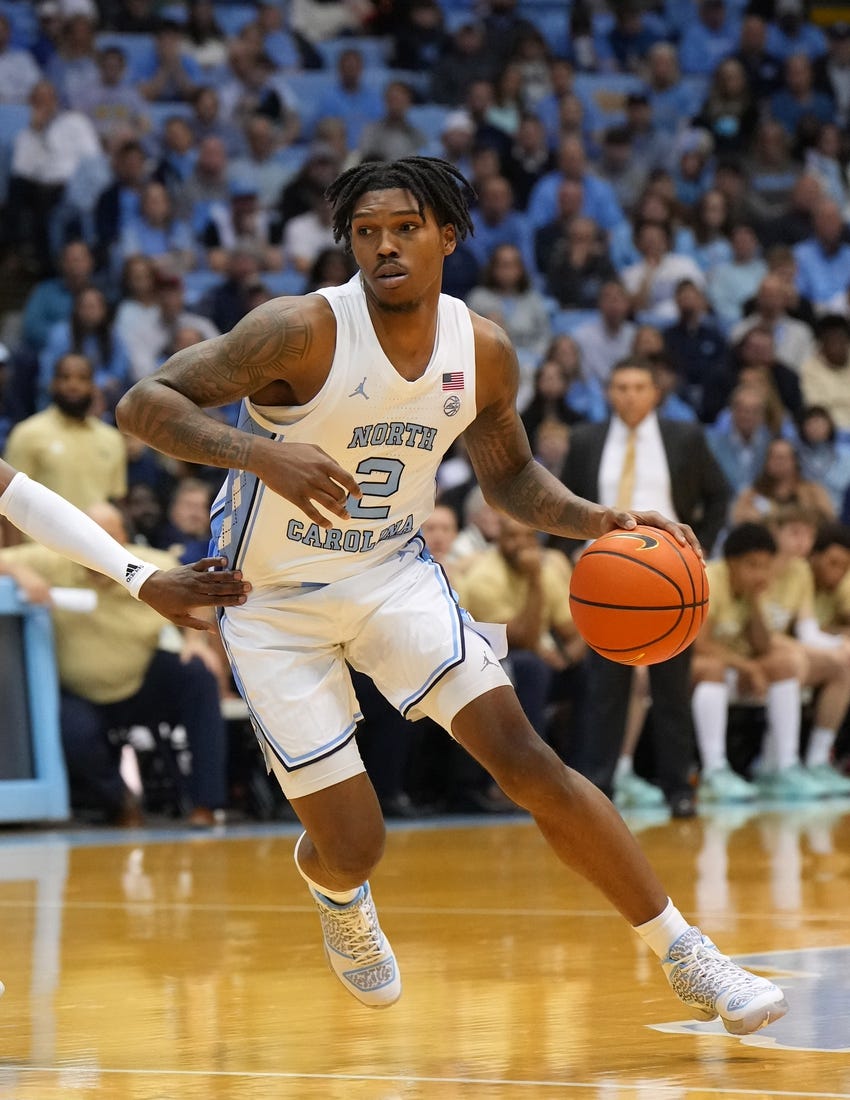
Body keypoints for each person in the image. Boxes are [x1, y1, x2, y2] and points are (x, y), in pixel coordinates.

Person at [116, 156, 787, 1032]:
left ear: (448, 236)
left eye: (403, 228)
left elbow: (509, 480)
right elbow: (141, 402)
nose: (384, 246)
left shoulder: (483, 349)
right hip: (272, 602)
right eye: (366, 233)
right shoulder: (297, 331)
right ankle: (334, 889)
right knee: (356, 845)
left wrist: (602, 519)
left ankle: (687, 954)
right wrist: (261, 452)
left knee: (526, 759)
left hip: (393, 575)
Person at [555, 356, 730, 818]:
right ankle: (598, 788)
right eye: (619, 386)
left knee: (672, 687)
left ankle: (679, 788)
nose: (628, 394)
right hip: (607, 581)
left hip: (669, 583)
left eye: (637, 386)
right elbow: (561, 504)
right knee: (604, 688)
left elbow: (720, 494)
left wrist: (701, 550)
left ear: (656, 393)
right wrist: (577, 553)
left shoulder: (685, 438)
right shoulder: (586, 440)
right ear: (609, 393)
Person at [0, 458, 250, 630]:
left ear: (124, 537)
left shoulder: (154, 560)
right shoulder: (47, 559)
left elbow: (19, 496)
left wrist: (141, 579)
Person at [691, 521, 822, 802]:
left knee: (784, 666)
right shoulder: (710, 580)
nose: (760, 573)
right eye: (752, 565)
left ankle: (782, 767)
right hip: (695, 666)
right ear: (731, 563)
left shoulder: (754, 589)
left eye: (765, 566)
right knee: (713, 669)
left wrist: (753, 601)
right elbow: (700, 645)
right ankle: (714, 771)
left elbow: (762, 645)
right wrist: (747, 667)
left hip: (734, 666)